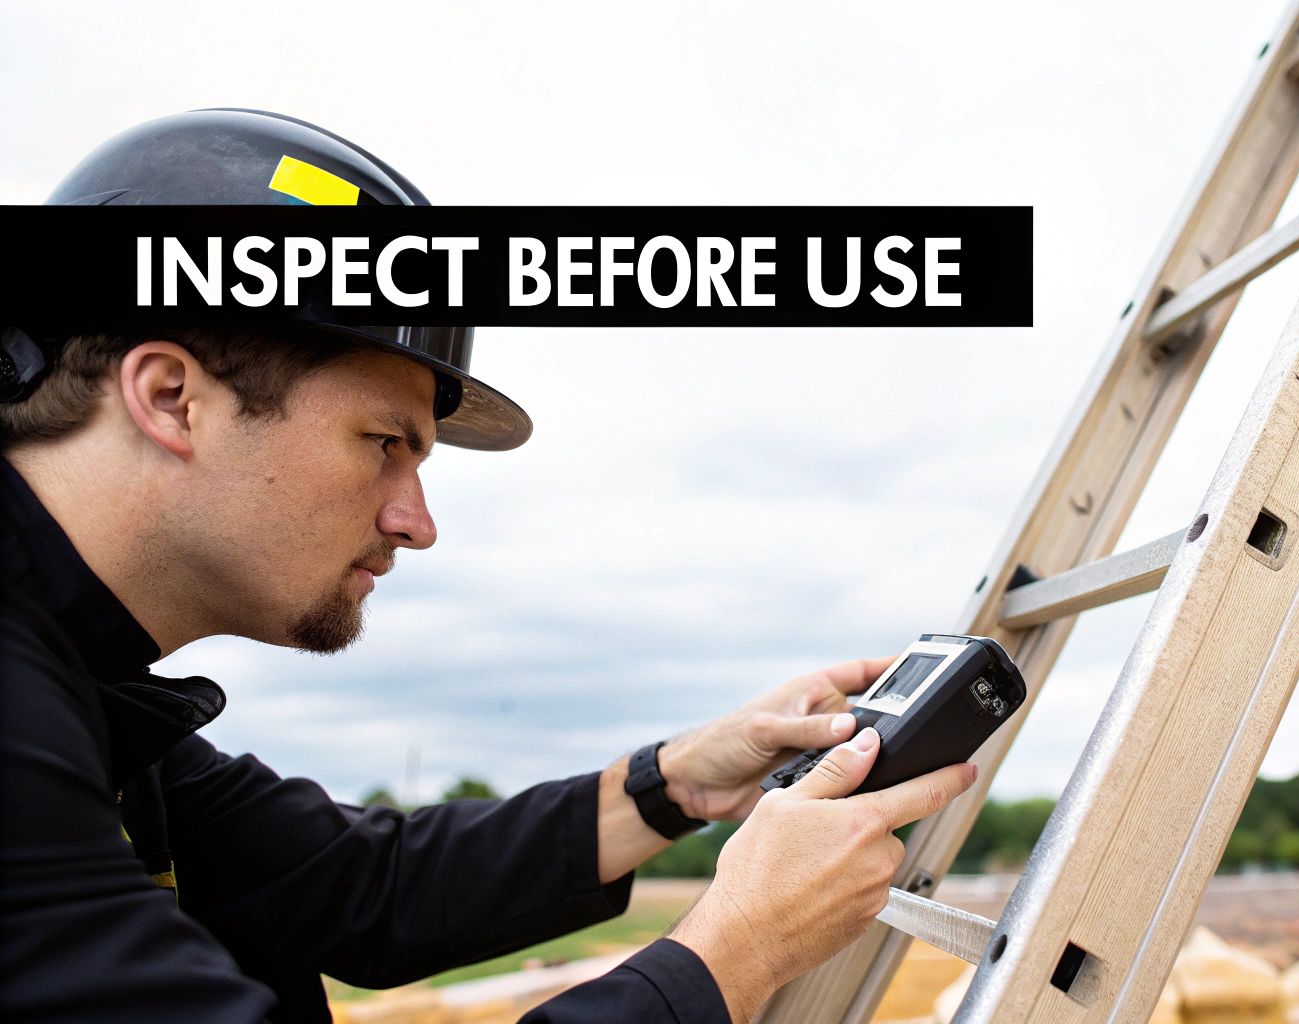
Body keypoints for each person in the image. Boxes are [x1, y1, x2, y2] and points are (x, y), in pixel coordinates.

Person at [0, 109, 976, 1024]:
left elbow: (355, 885)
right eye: (383, 440)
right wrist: (733, 949)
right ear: (171, 397)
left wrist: (678, 779)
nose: (416, 523)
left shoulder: (79, 689)